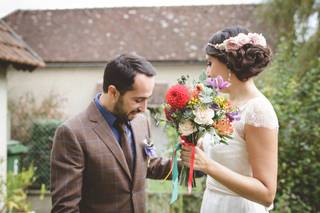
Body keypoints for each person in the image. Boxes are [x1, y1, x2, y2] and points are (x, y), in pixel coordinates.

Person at [50, 54, 172, 213]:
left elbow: (147, 165)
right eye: (138, 100)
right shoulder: (72, 134)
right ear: (113, 92)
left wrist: (197, 164)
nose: (144, 108)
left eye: (147, 99)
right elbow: (65, 209)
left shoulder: (141, 122)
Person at [180, 26, 279, 212]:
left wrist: (208, 165)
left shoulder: (257, 109)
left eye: (210, 63)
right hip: (213, 203)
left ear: (229, 63)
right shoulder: (225, 105)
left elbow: (266, 194)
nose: (207, 72)